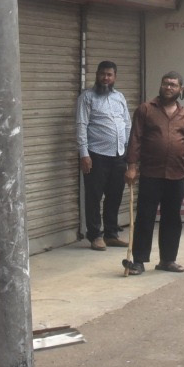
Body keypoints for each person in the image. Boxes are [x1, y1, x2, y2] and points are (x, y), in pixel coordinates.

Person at [123, 71, 184, 275]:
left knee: (172, 218)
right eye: (165, 83)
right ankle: (139, 261)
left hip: (177, 173)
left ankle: (167, 260)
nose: (168, 87)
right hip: (151, 173)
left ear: (180, 89)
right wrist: (132, 166)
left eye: (173, 85)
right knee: (145, 217)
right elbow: (135, 139)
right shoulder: (146, 109)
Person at [76, 60, 130, 250]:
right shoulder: (87, 97)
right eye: (102, 74)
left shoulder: (119, 97)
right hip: (96, 155)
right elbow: (81, 125)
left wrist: (128, 151)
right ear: (97, 75)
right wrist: (84, 154)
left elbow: (127, 124)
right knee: (94, 196)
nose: (105, 78)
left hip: (119, 155)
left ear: (115, 77)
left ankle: (111, 234)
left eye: (109, 75)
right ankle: (94, 235)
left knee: (115, 196)